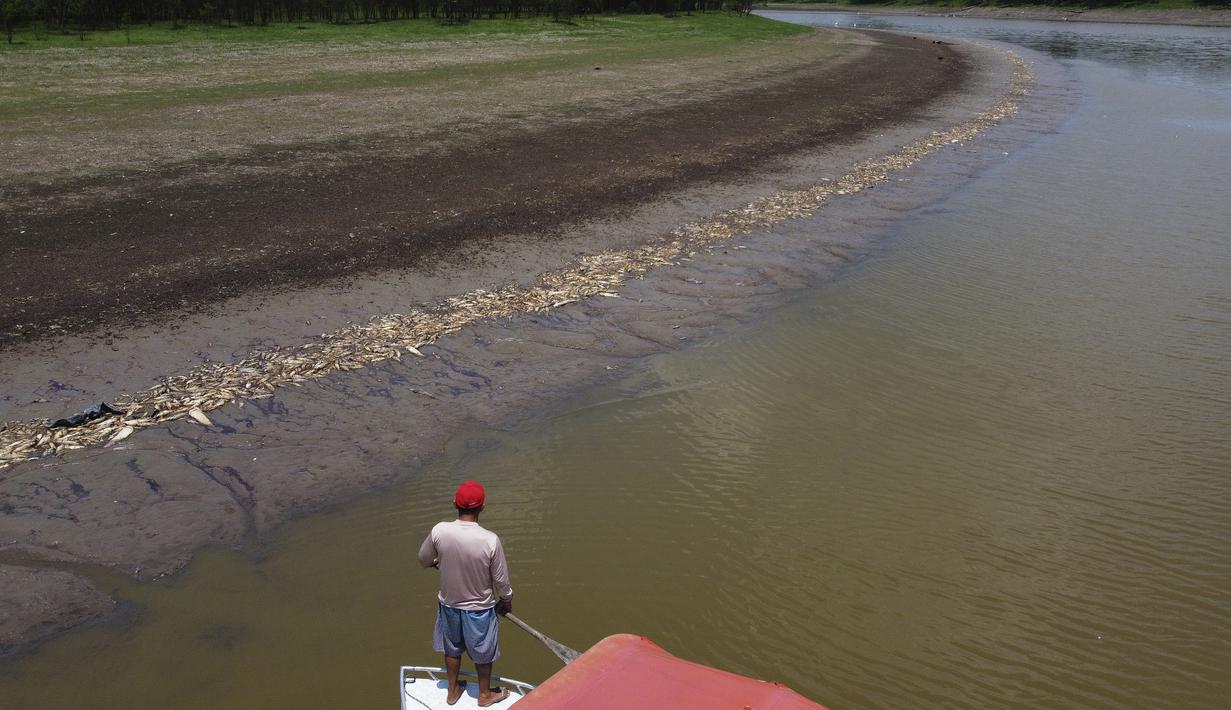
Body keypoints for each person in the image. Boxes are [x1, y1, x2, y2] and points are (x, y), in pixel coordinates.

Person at [419, 480, 514, 707]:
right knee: (483, 653)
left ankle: (452, 691)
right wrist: (507, 600)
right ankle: (484, 695)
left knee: (452, 649)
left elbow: (423, 559)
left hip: (449, 606)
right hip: (479, 610)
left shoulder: (439, 530)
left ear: (455, 503)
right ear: (483, 507)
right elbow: (501, 579)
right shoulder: (489, 540)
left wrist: (437, 562)